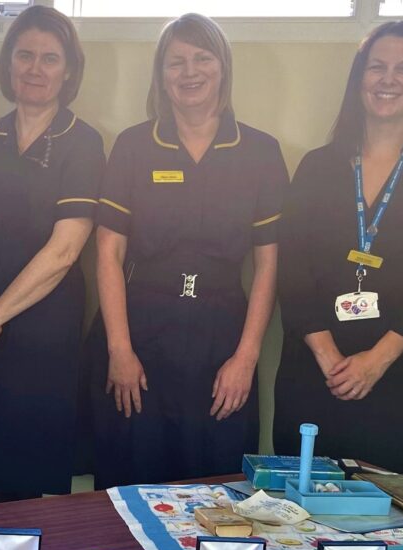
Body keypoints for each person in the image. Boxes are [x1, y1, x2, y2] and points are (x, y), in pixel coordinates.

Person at [87, 14, 285, 489]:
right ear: (161, 74)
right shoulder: (133, 146)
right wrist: (120, 350)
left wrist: (246, 358)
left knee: (215, 489)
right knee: (132, 481)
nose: (189, 71)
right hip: (140, 336)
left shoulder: (260, 151)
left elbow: (267, 266)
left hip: (222, 342)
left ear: (223, 67)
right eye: (176, 61)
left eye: (202, 58)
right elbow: (108, 254)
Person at [273, 21, 403, 473]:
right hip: (312, 373)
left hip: (395, 377)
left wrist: (375, 362)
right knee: (295, 513)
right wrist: (330, 359)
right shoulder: (316, 165)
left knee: (379, 520)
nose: (388, 79)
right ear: (358, 78)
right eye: (376, 67)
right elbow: (293, 271)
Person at [0, 5, 105, 505]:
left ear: (69, 70)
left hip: (40, 338)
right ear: (8, 63)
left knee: (30, 491)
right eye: (25, 55)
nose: (35, 68)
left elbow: (65, 250)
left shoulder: (83, 142)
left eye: (50, 58)